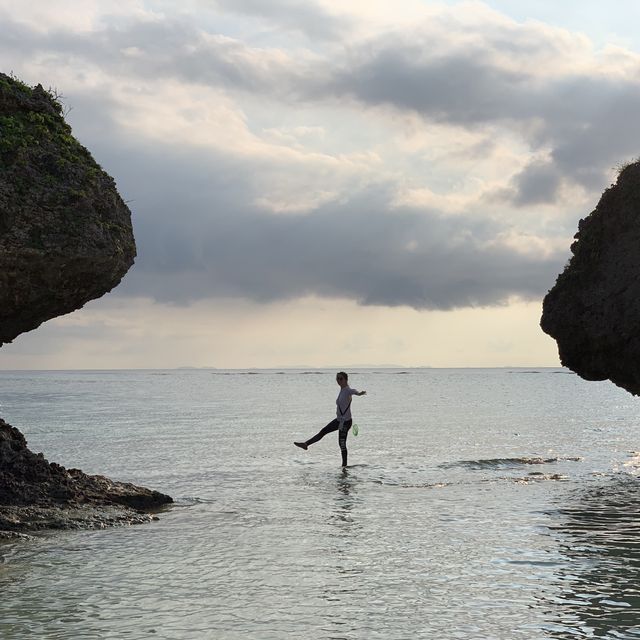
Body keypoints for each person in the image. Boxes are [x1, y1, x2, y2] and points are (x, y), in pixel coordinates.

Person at [294, 371, 366, 467]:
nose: (338, 380)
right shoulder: (341, 390)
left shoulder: (348, 390)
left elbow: (354, 391)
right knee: (323, 431)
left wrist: (360, 393)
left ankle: (344, 467)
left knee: (342, 444)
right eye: (337, 379)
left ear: (346, 380)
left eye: (341, 378)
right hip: (339, 420)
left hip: (346, 422)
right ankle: (306, 444)